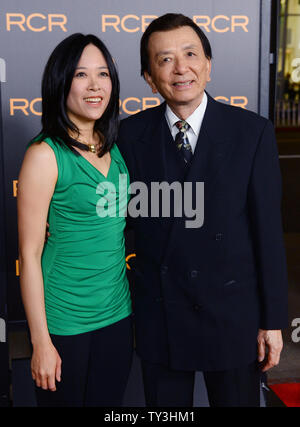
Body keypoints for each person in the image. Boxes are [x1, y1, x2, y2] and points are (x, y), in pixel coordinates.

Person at [117, 13, 288, 407]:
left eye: (191, 54)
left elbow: (267, 234)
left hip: (233, 316)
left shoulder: (252, 132)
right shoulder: (129, 135)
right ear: (148, 77)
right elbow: (118, 221)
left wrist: (272, 320)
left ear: (208, 65)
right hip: (162, 315)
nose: (181, 69)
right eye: (164, 59)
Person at [17, 33, 133, 407]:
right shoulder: (44, 155)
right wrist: (41, 341)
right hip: (64, 321)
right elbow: (30, 254)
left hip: (118, 313)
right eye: (82, 75)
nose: (95, 85)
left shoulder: (115, 143)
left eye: (103, 74)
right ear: (61, 82)